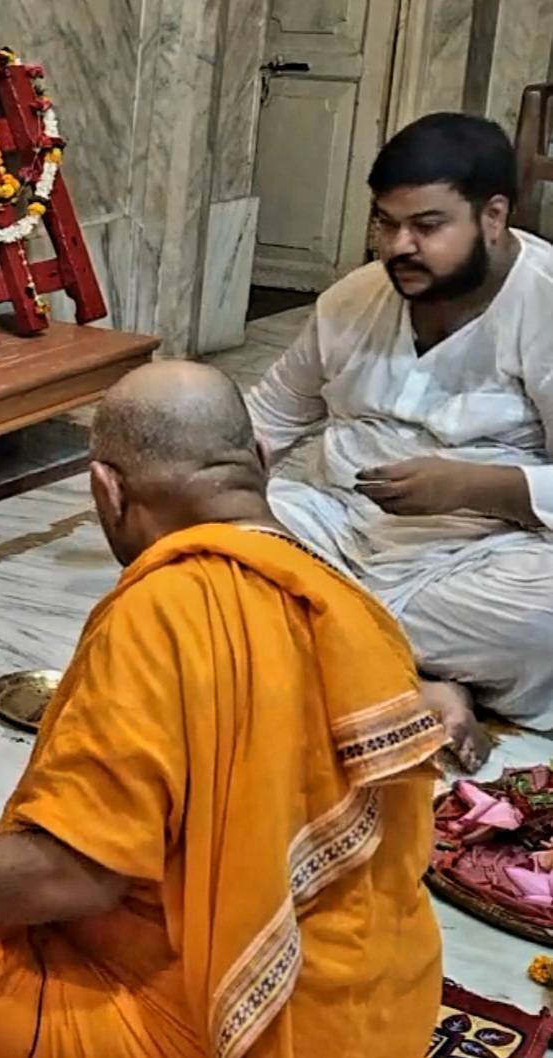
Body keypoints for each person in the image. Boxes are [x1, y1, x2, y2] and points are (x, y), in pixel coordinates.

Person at [0, 362, 447, 1058]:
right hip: (381, 1009)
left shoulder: (162, 613)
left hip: (231, 1025)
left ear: (106, 489)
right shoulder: (348, 603)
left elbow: (68, 876)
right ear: (259, 458)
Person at [247, 112, 553, 770]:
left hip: (484, 556)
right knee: (211, 543)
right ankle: (423, 680)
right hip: (337, 528)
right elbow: (268, 416)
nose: (397, 247)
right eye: (385, 223)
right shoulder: (354, 298)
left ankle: (328, 643)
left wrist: (473, 486)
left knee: (542, 622)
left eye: (426, 226)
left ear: (493, 216)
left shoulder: (545, 300)